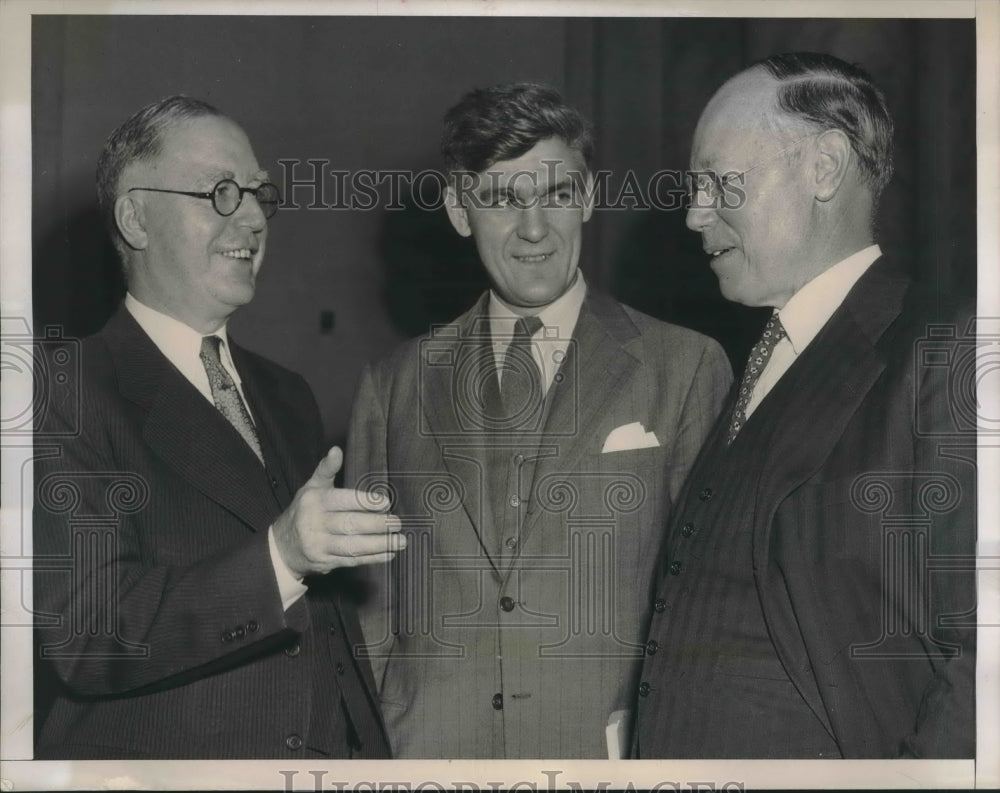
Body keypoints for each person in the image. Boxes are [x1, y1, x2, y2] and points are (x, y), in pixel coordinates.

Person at [345, 82, 732, 759]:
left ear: (585, 197)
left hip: (601, 754)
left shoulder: (687, 366)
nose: (533, 228)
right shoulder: (392, 385)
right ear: (460, 211)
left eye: (555, 194)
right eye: (500, 199)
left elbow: (710, 604)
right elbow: (372, 614)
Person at [32, 96, 400, 759]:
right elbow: (88, 637)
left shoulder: (286, 393)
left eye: (261, 194)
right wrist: (280, 555)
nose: (255, 217)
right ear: (136, 218)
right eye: (222, 192)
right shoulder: (65, 390)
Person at [633, 52, 976, 758]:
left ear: (823, 166)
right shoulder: (754, 363)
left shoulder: (945, 347)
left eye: (717, 181)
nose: (695, 213)